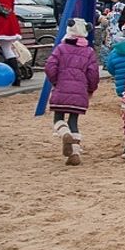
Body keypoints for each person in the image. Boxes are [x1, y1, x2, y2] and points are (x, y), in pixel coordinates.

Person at [44, 17, 100, 166]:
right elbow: (93, 73)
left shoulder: (61, 49)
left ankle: (64, 134)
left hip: (62, 88)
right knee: (73, 121)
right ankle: (74, 153)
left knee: (58, 119)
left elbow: (50, 67)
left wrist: (56, 81)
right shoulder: (88, 51)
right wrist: (90, 89)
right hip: (79, 92)